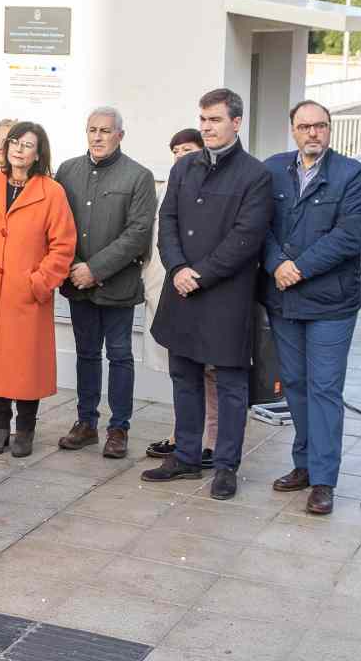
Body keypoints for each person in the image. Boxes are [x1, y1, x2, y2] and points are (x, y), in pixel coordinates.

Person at [141, 89, 272, 501]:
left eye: (214, 120)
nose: (206, 127)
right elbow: (169, 221)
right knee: (185, 377)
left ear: (236, 123)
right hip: (181, 290)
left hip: (225, 294)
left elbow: (246, 237)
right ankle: (185, 454)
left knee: (232, 383)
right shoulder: (184, 169)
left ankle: (226, 465)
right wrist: (178, 269)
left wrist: (200, 274)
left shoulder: (255, 175)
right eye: (202, 119)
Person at [260, 101, 361, 515]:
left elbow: (348, 237)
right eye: (305, 126)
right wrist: (276, 264)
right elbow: (260, 226)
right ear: (292, 130)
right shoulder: (272, 170)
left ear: (329, 130)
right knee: (294, 382)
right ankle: (303, 464)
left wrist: (298, 268)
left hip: (331, 303)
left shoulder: (351, 174)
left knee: (324, 388)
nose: (313, 133)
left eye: (320, 126)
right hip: (284, 299)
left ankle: (324, 480)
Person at [0, 121, 77, 458]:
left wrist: (38, 282)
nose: (19, 150)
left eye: (28, 145)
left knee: (25, 365)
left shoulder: (52, 192)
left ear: (39, 153)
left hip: (27, 295)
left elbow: (63, 246)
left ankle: (25, 428)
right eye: (15, 143)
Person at [56, 106, 156, 458]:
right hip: (76, 282)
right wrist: (73, 265)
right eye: (92, 130)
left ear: (120, 135)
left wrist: (95, 269)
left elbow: (139, 233)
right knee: (86, 354)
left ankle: (119, 429)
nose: (97, 137)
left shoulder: (138, 176)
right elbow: (56, 224)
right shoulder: (67, 171)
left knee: (119, 356)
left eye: (105, 131)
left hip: (117, 284)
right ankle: (86, 423)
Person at [143, 129, 219, 469]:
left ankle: (212, 442)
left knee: (210, 372)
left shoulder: (210, 187)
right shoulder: (169, 188)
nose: (180, 155)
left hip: (203, 289)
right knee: (181, 371)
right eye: (175, 150)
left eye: (187, 149)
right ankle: (182, 436)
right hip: (168, 289)